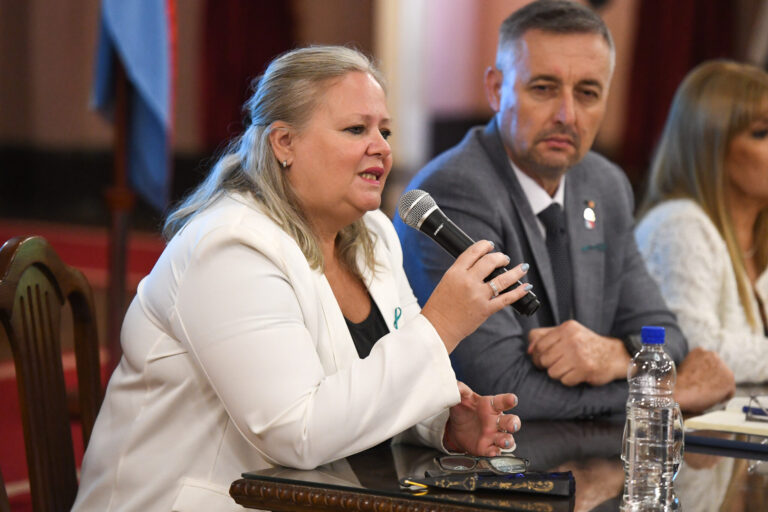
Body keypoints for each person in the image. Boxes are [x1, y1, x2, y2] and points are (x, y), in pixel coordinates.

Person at [72, 46, 533, 511]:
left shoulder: (371, 233)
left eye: (384, 130)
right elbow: (298, 432)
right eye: (357, 129)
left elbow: (373, 380)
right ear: (284, 143)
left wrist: (443, 424)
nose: (382, 147)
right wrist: (443, 324)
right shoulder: (230, 247)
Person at [395, 0, 734, 420]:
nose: (566, 115)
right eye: (543, 88)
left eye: (587, 93)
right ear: (497, 90)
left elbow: (667, 334)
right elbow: (502, 385)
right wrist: (667, 395)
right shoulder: (455, 191)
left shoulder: (603, 184)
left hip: (588, 460)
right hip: (485, 468)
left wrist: (615, 355)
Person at [635, 60, 768, 383]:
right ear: (711, 148)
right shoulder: (680, 225)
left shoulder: (760, 234)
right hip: (680, 429)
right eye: (762, 132)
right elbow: (694, 351)